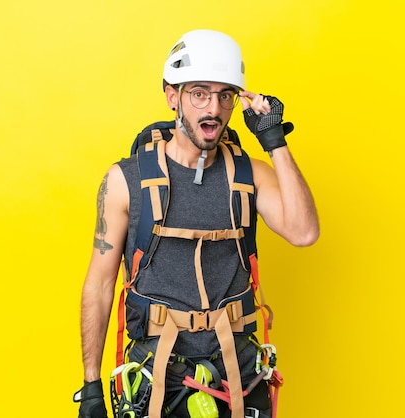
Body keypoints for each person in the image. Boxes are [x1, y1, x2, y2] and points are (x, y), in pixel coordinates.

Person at [74, 29, 319, 418]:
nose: (214, 108)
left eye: (225, 95)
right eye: (199, 93)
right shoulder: (125, 180)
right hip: (155, 377)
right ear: (173, 96)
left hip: (237, 375)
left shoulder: (249, 175)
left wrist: (273, 139)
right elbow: (100, 283)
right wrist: (90, 386)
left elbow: (304, 232)